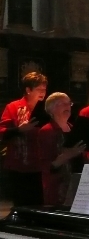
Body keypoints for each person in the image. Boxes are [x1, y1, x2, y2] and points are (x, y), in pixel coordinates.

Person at [0, 72, 48, 206]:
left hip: (41, 165)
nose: (42, 93)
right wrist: (19, 130)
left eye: (44, 90)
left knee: (40, 204)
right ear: (28, 90)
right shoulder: (14, 107)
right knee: (22, 204)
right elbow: (2, 132)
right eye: (39, 89)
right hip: (19, 165)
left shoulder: (47, 108)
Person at [39, 93, 86, 206]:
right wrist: (66, 156)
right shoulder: (46, 131)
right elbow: (45, 165)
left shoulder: (74, 129)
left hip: (78, 186)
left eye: (69, 103)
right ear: (51, 109)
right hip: (58, 188)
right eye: (63, 104)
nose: (68, 107)